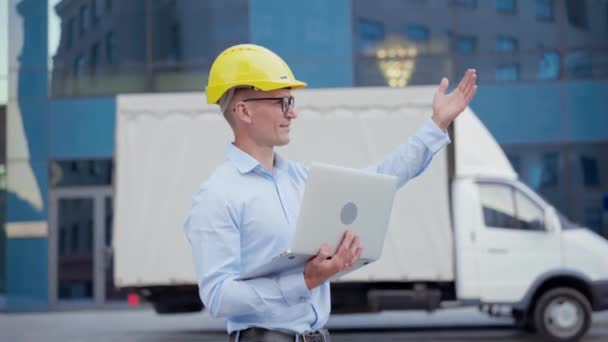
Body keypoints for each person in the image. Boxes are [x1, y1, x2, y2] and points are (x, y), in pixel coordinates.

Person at [183, 44, 477, 342]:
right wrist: (305, 280)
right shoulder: (217, 196)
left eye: (291, 101)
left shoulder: (299, 179)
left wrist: (437, 125)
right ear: (244, 110)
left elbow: (378, 180)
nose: (293, 113)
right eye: (282, 102)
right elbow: (218, 297)